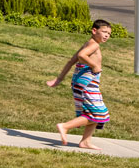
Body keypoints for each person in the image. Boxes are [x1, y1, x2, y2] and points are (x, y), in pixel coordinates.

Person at [47, 19, 114, 150]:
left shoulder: (88, 43)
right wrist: (94, 65)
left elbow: (71, 60)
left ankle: (85, 141)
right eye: (104, 32)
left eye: (109, 33)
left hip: (81, 83)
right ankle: (65, 126)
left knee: (93, 112)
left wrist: (59, 79)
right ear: (94, 31)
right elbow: (81, 55)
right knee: (99, 114)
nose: (107, 35)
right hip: (87, 84)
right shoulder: (94, 45)